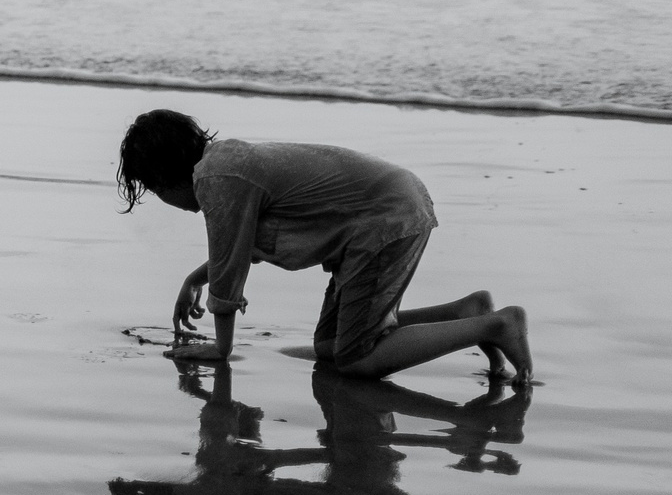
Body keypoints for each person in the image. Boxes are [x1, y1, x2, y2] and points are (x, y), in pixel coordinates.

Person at [114, 108, 531, 382]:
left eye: (153, 189)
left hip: (385, 217)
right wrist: (194, 278)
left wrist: (221, 349)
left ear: (164, 175)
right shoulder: (225, 164)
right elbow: (239, 251)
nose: (163, 201)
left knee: (356, 358)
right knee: (329, 347)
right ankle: (465, 312)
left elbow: (228, 269)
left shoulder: (216, 180)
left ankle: (495, 324)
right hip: (383, 209)